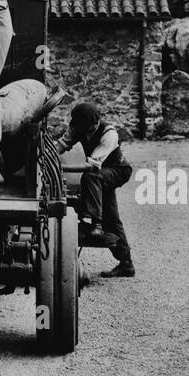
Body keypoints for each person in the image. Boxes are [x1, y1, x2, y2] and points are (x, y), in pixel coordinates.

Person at [54, 100, 135, 278]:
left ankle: (95, 224)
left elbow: (92, 167)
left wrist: (60, 169)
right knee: (112, 218)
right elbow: (60, 145)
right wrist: (47, 156)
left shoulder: (109, 134)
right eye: (82, 129)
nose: (86, 133)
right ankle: (126, 264)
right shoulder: (77, 128)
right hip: (100, 176)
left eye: (89, 129)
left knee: (91, 177)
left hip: (117, 170)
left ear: (95, 123)